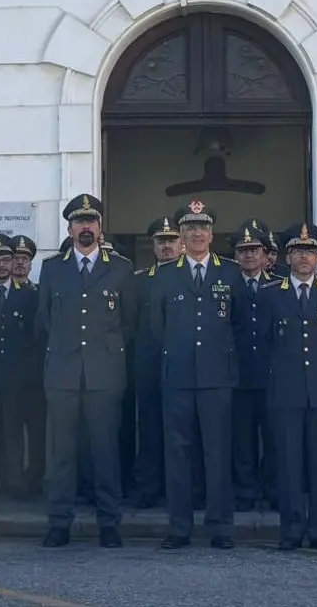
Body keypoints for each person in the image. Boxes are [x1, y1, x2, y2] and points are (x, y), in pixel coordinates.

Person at [39, 194, 136, 548]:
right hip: (62, 374)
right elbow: (44, 321)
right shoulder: (52, 268)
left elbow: (129, 324)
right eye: (79, 222)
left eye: (91, 221)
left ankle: (109, 522)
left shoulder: (121, 268)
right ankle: (59, 522)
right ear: (69, 228)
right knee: (62, 454)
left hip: (104, 374)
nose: (85, 227)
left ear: (100, 228)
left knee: (105, 452)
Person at [152, 201, 242, 549]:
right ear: (181, 235)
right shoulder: (164, 274)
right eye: (189, 228)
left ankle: (220, 525)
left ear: (211, 234)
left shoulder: (230, 273)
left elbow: (238, 326)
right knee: (178, 453)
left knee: (218, 453)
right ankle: (179, 526)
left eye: (203, 227)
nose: (197, 233)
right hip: (177, 378)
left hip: (217, 377)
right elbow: (156, 329)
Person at [258, 224, 317, 550]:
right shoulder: (271, 293)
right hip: (285, 392)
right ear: (288, 255)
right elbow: (264, 342)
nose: (304, 257)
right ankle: (291, 528)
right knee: (288, 464)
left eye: (310, 251)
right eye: (298, 251)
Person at [0, 233, 42, 501]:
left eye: (7, 259)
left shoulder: (30, 296)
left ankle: (15, 483)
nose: (3, 265)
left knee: (13, 433)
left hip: (21, 378)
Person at [132, 216, 183, 510]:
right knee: (150, 430)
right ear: (152, 245)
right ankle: (150, 486)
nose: (166, 246)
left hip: (183, 367)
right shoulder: (140, 280)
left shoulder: (190, 276)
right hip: (149, 367)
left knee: (182, 432)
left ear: (182, 243)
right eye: (161, 241)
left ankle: (186, 488)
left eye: (172, 240)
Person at [230, 219, 279, 512]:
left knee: (273, 437)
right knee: (241, 439)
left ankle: (272, 488)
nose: (249, 255)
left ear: (265, 254)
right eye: (243, 250)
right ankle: (245, 490)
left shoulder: (277, 287)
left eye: (254, 250)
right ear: (235, 255)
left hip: (271, 375)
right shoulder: (227, 285)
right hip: (237, 374)